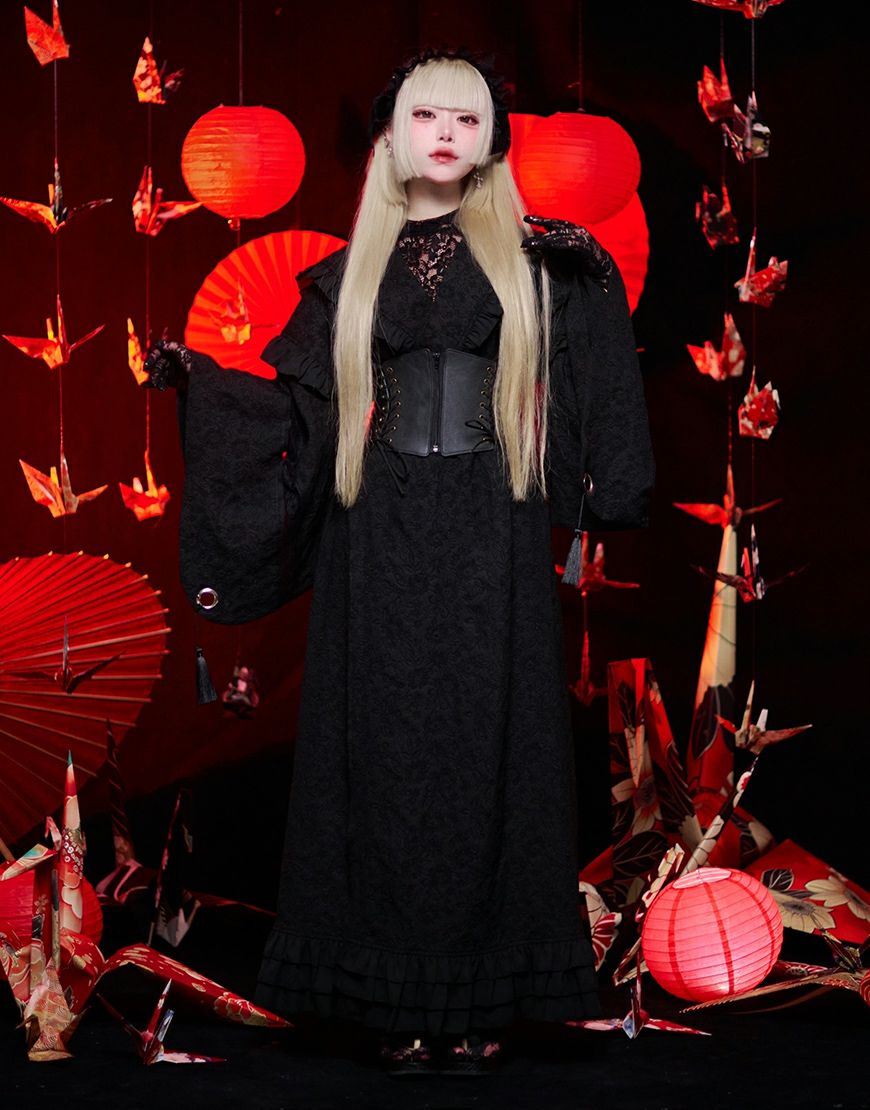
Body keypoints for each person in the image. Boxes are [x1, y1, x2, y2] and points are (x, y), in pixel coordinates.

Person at [145, 49, 653, 1076]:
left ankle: (479, 998)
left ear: (491, 140)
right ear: (394, 135)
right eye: (428, 117)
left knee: (485, 748)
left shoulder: (538, 263)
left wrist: (596, 280)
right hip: (374, 533)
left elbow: (595, 380)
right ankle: (394, 1005)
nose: (447, 136)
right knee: (380, 751)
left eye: (467, 120)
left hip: (492, 526)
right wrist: (199, 383)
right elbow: (298, 412)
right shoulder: (349, 274)